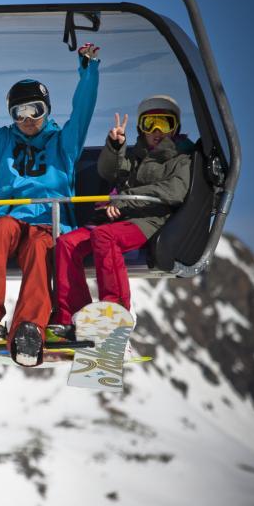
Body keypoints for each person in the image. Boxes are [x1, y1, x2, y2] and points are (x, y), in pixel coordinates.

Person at [0, 39, 100, 366]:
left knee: (39, 251)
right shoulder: (0, 143)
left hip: (47, 222)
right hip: (11, 219)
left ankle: (29, 328)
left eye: (35, 110)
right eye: (19, 113)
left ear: (47, 110)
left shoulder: (63, 144)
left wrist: (88, 73)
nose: (28, 119)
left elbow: (82, 114)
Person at [52, 95, 192, 331]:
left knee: (104, 237)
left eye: (164, 123)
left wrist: (125, 201)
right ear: (141, 128)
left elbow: (174, 191)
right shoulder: (136, 155)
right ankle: (71, 317)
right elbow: (109, 172)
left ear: (175, 127)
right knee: (67, 243)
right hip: (117, 219)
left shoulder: (182, 158)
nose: (157, 130)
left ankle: (115, 311)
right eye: (150, 124)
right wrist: (115, 146)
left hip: (150, 220)